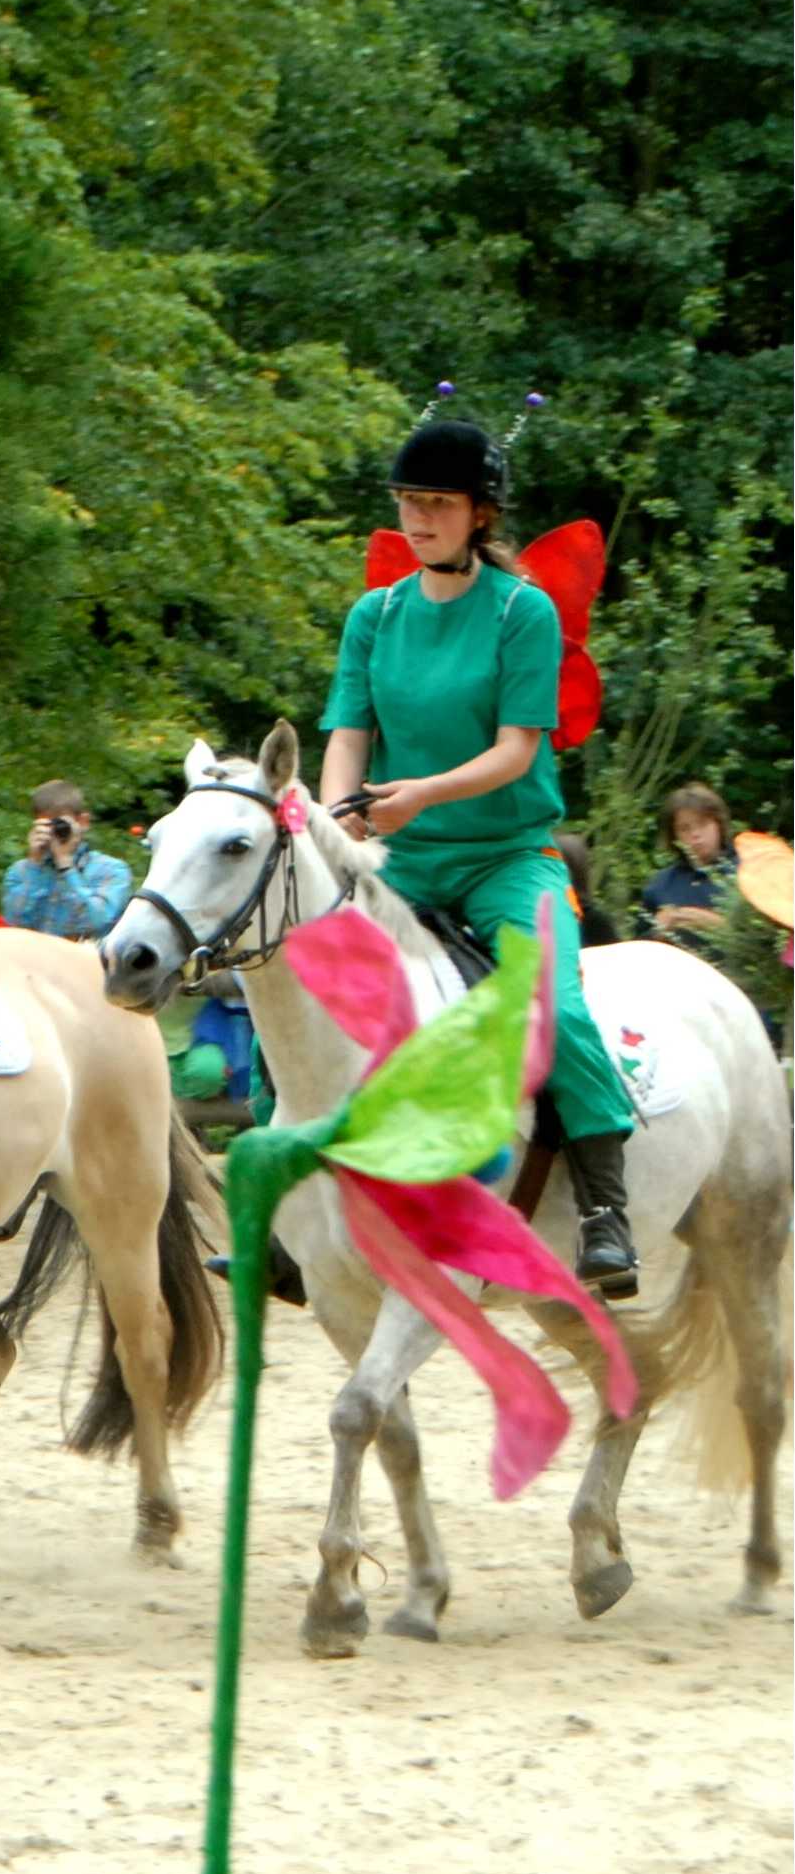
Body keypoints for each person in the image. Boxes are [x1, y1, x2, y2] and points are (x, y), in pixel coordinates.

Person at [318, 408, 642, 1298]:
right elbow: (348, 733)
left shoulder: (522, 611)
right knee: (305, 976)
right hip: (400, 862)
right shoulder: (375, 614)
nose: (417, 518)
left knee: (552, 1003)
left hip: (507, 856)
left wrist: (418, 794)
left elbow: (515, 752)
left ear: (481, 514)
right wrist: (340, 814)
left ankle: (604, 1209)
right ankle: (288, 1205)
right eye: (408, 501)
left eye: (438, 504)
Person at [1, 780, 131, 939]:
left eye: (60, 824)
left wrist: (66, 866)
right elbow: (13, 924)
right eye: (47, 825)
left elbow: (96, 922)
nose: (54, 831)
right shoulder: (21, 871)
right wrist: (34, 864)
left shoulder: (111, 870)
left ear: (83, 822)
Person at [643, 785, 737, 942]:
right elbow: (637, 947)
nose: (695, 834)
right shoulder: (660, 885)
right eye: (684, 829)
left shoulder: (747, 873)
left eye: (703, 824)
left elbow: (766, 941)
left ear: (719, 825)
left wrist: (714, 924)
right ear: (674, 837)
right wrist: (658, 931)